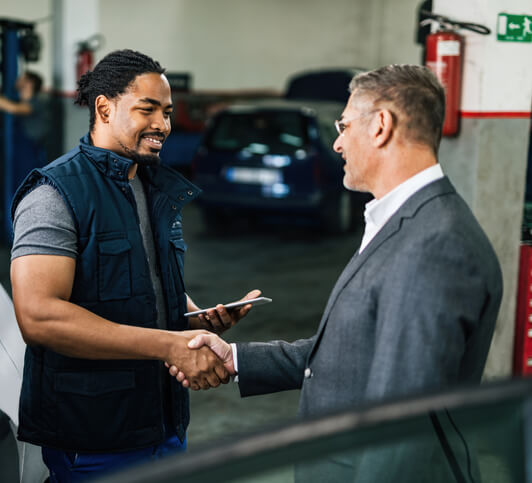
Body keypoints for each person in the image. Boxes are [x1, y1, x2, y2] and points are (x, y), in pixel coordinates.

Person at [170, 64, 503, 481]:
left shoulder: (435, 245)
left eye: (344, 126)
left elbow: (403, 421)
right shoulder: (402, 222)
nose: (338, 143)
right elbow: (350, 354)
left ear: (381, 126)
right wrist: (235, 358)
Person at [9, 49, 259, 482]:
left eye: (167, 112)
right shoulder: (54, 195)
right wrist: (168, 345)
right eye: (148, 109)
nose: (162, 124)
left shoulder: (151, 186)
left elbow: (144, 281)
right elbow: (40, 317)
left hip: (161, 420)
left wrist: (194, 319)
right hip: (95, 432)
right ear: (104, 108)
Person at [0, 70, 51, 172]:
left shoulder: (36, 103)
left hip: (28, 153)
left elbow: (14, 108)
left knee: (25, 182)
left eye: (22, 78)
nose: (17, 80)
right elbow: (3, 104)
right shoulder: (18, 101)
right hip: (16, 150)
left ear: (29, 83)